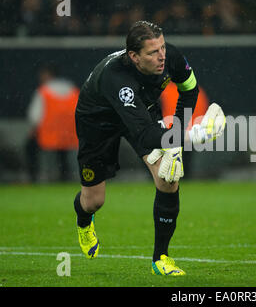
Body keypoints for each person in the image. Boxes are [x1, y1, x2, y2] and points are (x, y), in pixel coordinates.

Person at [73, 21, 225, 276]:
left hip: (141, 111)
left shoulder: (171, 58)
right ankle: (83, 220)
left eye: (162, 47)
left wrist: (176, 133)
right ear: (134, 56)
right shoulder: (117, 78)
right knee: (93, 202)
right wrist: (190, 136)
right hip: (97, 123)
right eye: (153, 52)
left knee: (168, 178)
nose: (162, 56)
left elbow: (189, 89)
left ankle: (161, 258)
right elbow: (145, 133)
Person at [25, 64, 79, 182]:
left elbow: (35, 116)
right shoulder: (73, 90)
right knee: (65, 158)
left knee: (37, 153)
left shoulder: (43, 91)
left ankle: (39, 178)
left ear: (48, 75)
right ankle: (66, 177)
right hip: (70, 134)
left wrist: (32, 131)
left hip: (50, 134)